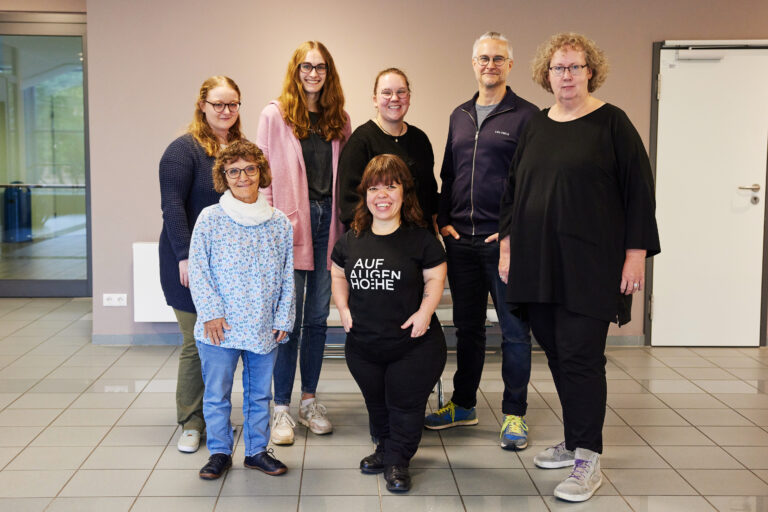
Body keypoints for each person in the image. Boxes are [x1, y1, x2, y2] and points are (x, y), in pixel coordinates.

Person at [498, 32, 660, 502]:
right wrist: (507, 250)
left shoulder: (612, 123)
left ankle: (588, 458)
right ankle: (573, 441)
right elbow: (513, 192)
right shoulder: (535, 125)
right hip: (539, 263)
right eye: (558, 68)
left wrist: (635, 257)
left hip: (591, 265)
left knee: (581, 358)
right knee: (557, 353)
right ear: (545, 75)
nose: (566, 75)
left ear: (591, 70)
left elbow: (639, 195)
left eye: (575, 66)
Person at [426, 32, 538, 452]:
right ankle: (463, 404)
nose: (489, 64)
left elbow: (531, 183)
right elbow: (449, 175)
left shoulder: (526, 116)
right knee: (467, 329)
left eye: (498, 58)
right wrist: (444, 220)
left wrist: (510, 230)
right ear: (473, 63)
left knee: (513, 331)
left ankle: (514, 414)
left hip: (502, 243)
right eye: (482, 58)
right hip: (462, 244)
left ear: (510, 65)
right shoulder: (459, 114)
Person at [331, 154, 447, 493]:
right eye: (374, 188)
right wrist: (343, 306)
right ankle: (384, 448)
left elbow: (436, 278)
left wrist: (425, 312)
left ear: (404, 193)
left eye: (390, 187)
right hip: (364, 346)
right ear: (365, 194)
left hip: (414, 346)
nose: (382, 195)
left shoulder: (420, 238)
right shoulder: (352, 237)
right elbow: (338, 273)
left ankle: (398, 461)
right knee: (377, 403)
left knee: (404, 404)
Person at [257, 41, 351, 446]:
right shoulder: (274, 115)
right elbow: (263, 176)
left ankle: (309, 401)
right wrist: (270, 229)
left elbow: (345, 178)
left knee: (316, 320)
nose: (313, 73)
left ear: (329, 73)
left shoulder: (340, 119)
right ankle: (280, 409)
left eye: (321, 67)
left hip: (328, 222)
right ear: (295, 71)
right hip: (288, 227)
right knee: (288, 322)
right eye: (306, 67)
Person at [188, 140, 295, 480]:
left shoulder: (278, 222)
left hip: (263, 323)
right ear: (223, 175)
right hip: (219, 326)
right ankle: (219, 453)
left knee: (260, 394)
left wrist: (283, 317)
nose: (243, 176)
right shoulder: (210, 218)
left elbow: (286, 273)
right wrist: (211, 313)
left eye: (250, 168)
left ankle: (256, 451)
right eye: (233, 170)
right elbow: (198, 269)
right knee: (217, 395)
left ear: (260, 172)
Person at [158, 75, 242, 453]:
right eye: (218, 104)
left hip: (230, 265)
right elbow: (172, 206)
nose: (226, 111)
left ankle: (215, 417)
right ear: (203, 105)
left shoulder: (240, 149)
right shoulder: (183, 150)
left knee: (222, 343)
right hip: (188, 262)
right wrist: (185, 256)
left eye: (233, 104)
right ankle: (191, 423)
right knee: (197, 341)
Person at [337, 68, 438, 233]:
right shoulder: (360, 142)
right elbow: (350, 203)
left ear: (409, 98)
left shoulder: (421, 139)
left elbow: (430, 193)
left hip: (421, 240)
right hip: (380, 242)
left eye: (401, 92)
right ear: (375, 100)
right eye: (386, 92)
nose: (395, 98)